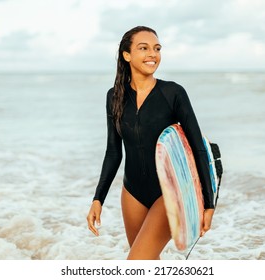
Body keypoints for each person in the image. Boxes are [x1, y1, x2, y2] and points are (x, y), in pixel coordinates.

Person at [87, 26, 215, 260]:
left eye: (156, 48)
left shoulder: (173, 93)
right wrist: (98, 199)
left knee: (136, 263)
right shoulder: (114, 96)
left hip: (168, 192)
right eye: (143, 48)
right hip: (131, 193)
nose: (152, 54)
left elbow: (198, 148)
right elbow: (113, 152)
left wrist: (209, 204)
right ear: (127, 55)